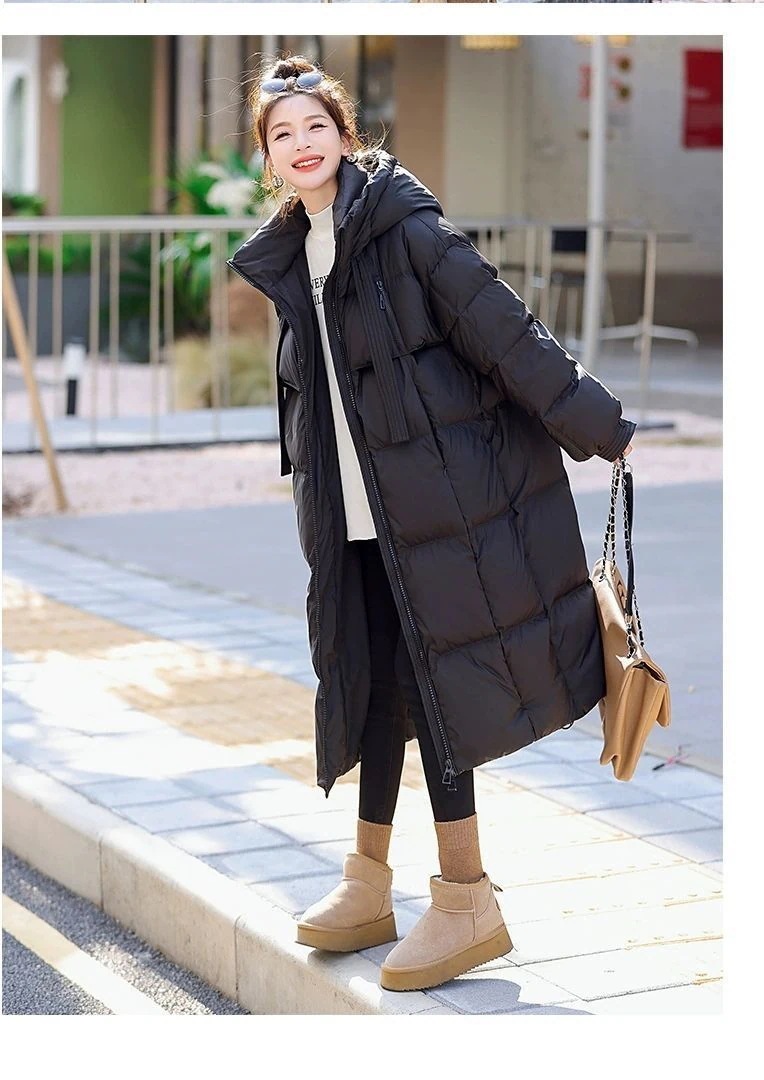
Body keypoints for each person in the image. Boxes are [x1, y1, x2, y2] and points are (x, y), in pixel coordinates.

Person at [228, 55, 635, 994]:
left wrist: (597, 424)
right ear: (268, 157)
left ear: (345, 134)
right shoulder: (292, 255)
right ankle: (368, 881)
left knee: (434, 686)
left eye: (316, 126)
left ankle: (465, 897)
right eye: (282, 134)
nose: (302, 144)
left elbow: (501, 328)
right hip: (352, 518)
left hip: (434, 510)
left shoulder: (404, 227)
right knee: (373, 683)